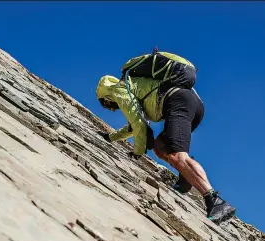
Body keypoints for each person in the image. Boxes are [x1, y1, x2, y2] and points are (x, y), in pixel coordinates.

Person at [95, 50, 236, 224]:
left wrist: (138, 153)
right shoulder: (133, 85)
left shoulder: (120, 90)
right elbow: (134, 126)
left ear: (105, 97)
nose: (110, 109)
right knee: (160, 146)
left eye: (106, 105)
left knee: (178, 156)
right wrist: (111, 138)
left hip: (178, 101)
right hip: (192, 103)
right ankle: (186, 178)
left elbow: (138, 125)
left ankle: (215, 201)